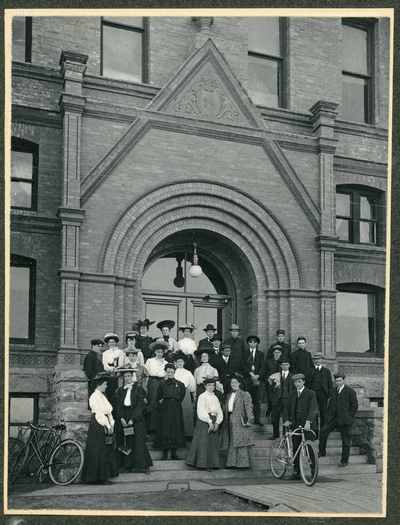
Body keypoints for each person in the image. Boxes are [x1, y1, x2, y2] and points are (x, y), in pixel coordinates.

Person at [113, 367, 153, 473]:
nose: (127, 378)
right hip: (124, 417)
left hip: (136, 417)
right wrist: (121, 418)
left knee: (138, 441)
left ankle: (141, 465)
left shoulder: (139, 389)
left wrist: (132, 419)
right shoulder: (120, 390)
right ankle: (127, 465)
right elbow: (118, 406)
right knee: (126, 442)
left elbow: (140, 406)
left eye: (129, 376)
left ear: (132, 376)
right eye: (125, 376)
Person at [81, 373, 118, 484]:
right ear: (100, 385)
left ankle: (103, 476)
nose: (106, 386)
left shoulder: (102, 396)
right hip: (98, 424)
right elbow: (99, 414)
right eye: (105, 384)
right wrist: (106, 425)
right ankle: (95, 478)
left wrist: (111, 424)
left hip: (104, 423)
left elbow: (109, 412)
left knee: (105, 450)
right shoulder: (94, 396)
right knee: (98, 450)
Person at [318, 372, 358, 467]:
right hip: (334, 419)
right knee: (323, 432)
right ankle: (322, 451)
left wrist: (349, 417)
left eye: (340, 380)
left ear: (343, 380)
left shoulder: (350, 391)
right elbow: (330, 405)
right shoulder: (333, 390)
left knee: (346, 441)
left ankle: (344, 461)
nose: (338, 382)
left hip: (345, 420)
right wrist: (328, 416)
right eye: (336, 381)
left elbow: (354, 406)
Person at [284, 373, 319, 480]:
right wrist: (287, 420)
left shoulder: (310, 393)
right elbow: (287, 408)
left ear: (303, 382)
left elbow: (313, 408)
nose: (297, 384)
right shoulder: (292, 394)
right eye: (295, 382)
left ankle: (313, 470)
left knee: (309, 448)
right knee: (296, 447)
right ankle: (296, 472)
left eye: (299, 382)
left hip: (307, 425)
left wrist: (308, 421)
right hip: (295, 424)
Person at [186, 377, 223, 469]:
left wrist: (217, 422)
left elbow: (219, 411)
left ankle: (212, 464)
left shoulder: (215, 397)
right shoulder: (202, 396)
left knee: (213, 443)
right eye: (209, 385)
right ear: (205, 386)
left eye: (213, 385)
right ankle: (201, 464)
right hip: (204, 421)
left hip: (214, 420)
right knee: (203, 442)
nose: (211, 387)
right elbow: (201, 411)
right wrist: (209, 422)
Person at [220, 375, 254, 468]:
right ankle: (231, 463)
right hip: (230, 420)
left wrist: (250, 419)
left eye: (235, 382)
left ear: (240, 383)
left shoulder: (245, 394)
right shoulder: (228, 395)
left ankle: (243, 464)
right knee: (232, 441)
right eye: (232, 383)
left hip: (240, 420)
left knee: (241, 442)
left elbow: (248, 407)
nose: (233, 384)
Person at [155, 363, 186, 460]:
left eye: (172, 372)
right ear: (166, 372)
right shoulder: (161, 384)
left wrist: (174, 401)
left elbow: (181, 396)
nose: (170, 373)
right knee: (165, 429)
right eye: (168, 372)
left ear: (174, 372)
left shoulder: (180, 384)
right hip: (165, 409)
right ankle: (165, 453)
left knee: (175, 429)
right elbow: (158, 397)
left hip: (176, 409)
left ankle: (174, 453)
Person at [144, 341, 168, 433]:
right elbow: (146, 374)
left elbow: (166, 375)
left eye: (161, 352)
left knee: (160, 402)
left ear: (163, 353)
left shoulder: (166, 362)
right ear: (155, 352)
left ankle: (159, 427)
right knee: (152, 402)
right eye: (158, 352)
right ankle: (150, 428)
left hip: (162, 382)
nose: (159, 354)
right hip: (152, 382)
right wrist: (146, 386)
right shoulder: (150, 361)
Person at [308, 352, 334, 432]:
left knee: (323, 413)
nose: (317, 361)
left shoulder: (326, 371)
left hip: (323, 394)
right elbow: (308, 383)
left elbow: (330, 383)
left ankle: (323, 431)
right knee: (313, 413)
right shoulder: (310, 371)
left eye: (319, 359)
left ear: (322, 360)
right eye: (315, 359)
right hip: (313, 394)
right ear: (313, 361)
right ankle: (314, 432)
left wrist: (330, 394)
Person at [173, 352, 196, 439]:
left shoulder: (188, 372)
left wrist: (193, 395)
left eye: (181, 362)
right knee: (175, 413)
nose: (179, 363)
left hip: (185, 394)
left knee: (186, 413)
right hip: (174, 393)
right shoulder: (173, 372)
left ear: (184, 363)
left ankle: (188, 434)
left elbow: (192, 386)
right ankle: (176, 433)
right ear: (175, 363)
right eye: (178, 362)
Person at [244, 335, 264, 425]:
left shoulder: (260, 354)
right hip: (248, 380)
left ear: (257, 343)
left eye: (254, 342)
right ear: (248, 343)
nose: (252, 344)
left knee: (257, 401)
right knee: (247, 400)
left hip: (257, 380)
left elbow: (263, 366)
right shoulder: (245, 353)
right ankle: (248, 418)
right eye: (251, 342)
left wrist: (258, 375)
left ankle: (257, 419)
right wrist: (250, 373)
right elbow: (243, 365)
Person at [102, 333, 126, 399]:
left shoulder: (120, 352)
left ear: (115, 343)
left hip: (118, 374)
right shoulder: (105, 353)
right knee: (109, 391)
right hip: (108, 374)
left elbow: (121, 363)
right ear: (108, 343)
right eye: (110, 342)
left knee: (118, 391)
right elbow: (105, 364)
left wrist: (117, 369)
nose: (111, 343)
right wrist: (111, 369)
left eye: (113, 342)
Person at [83, 339, 105, 406]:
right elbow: (88, 371)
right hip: (94, 383)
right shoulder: (90, 356)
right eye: (99, 346)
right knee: (95, 402)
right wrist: (97, 376)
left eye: (101, 346)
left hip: (98, 383)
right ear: (93, 346)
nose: (100, 348)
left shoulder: (95, 356)